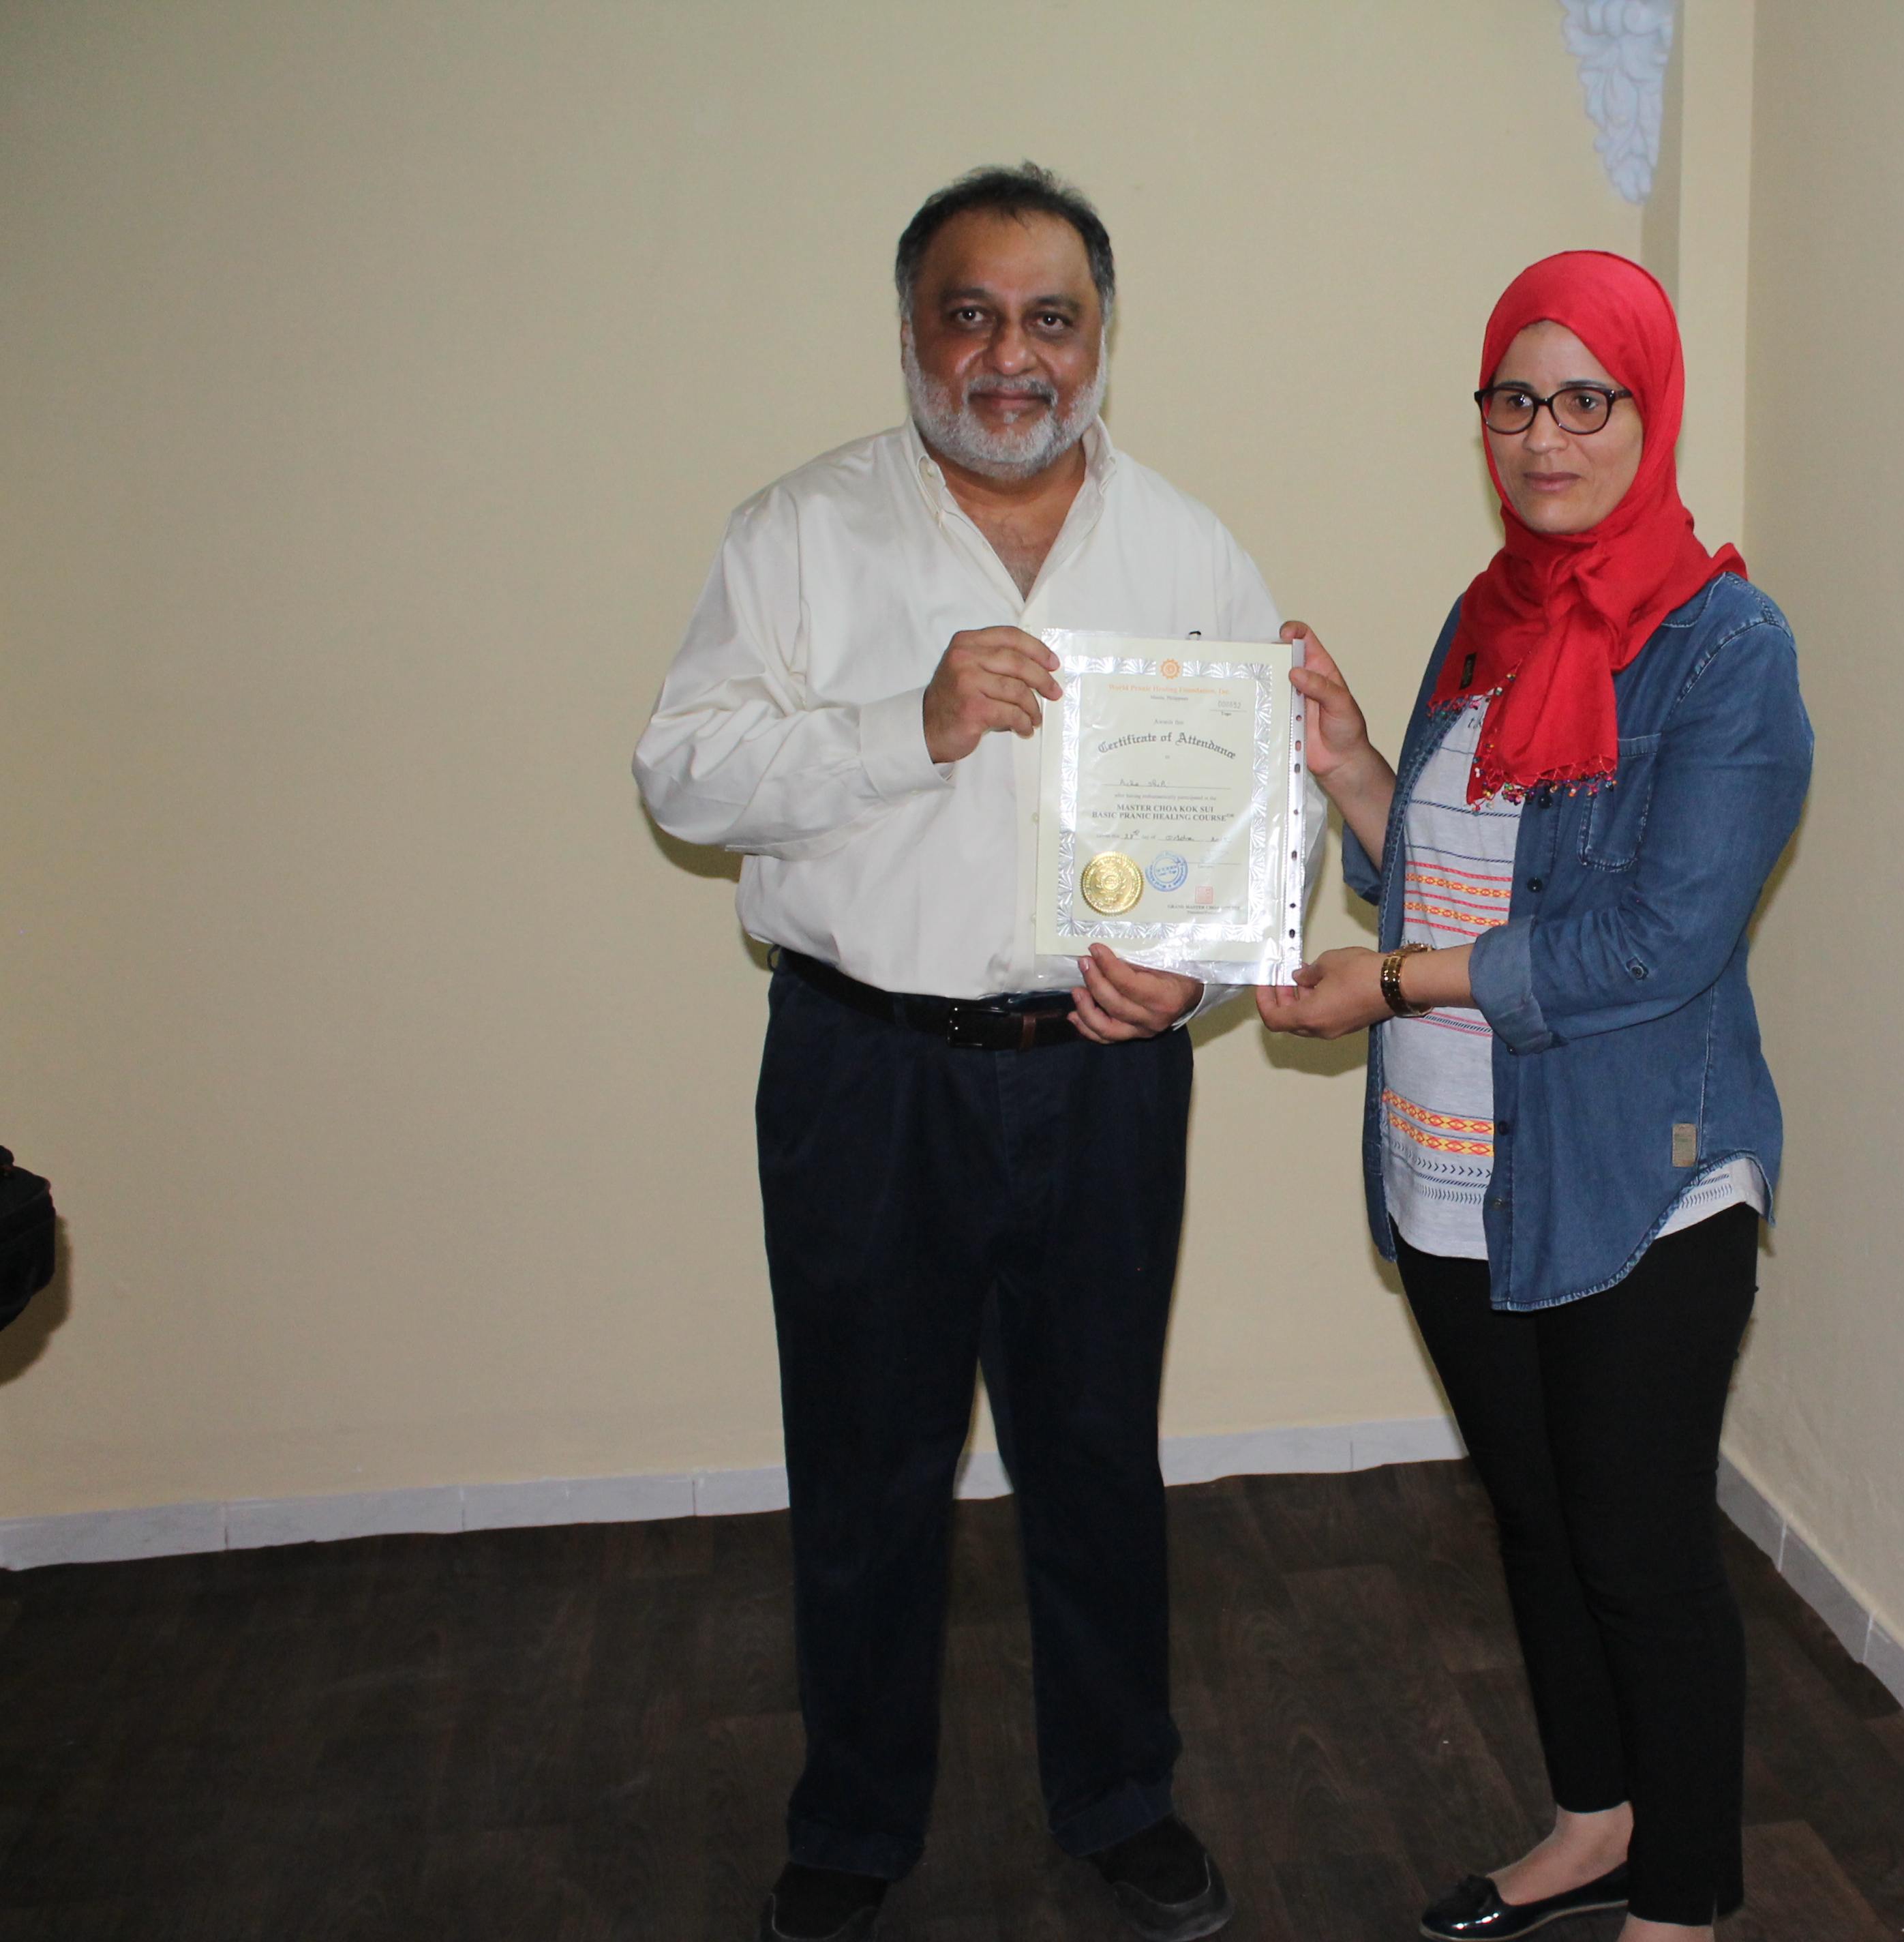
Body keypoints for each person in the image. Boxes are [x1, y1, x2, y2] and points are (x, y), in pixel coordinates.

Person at [635, 164, 1284, 1942]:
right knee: (866, 1465)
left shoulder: (1189, 551)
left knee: (1097, 1454)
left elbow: (1260, 828)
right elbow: (679, 772)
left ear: (1100, 335)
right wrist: (900, 725)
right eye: (971, 315)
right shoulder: (798, 534)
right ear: (914, 331)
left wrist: (1191, 989)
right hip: (867, 1073)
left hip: (1104, 1074)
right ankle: (853, 1820)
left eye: (1049, 318)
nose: (1012, 356)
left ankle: (1122, 1796)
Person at [1257, 252, 1813, 1941]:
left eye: (1589, 399)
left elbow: (1653, 940)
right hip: (1453, 1162)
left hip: (1634, 1173)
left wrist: (1393, 983)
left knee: (1638, 1550)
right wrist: (1355, 763)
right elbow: (1443, 870)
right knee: (1539, 1524)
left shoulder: (1725, 648)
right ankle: (1597, 1821)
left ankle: (1683, 1901)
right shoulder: (1488, 618)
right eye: (1517, 397)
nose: (1547, 435)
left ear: (1653, 411)